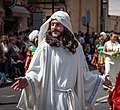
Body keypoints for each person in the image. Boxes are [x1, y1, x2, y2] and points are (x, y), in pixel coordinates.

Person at [11, 11, 111, 110]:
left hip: (70, 101)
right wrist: (28, 79)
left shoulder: (76, 48)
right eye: (52, 24)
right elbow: (37, 71)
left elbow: (84, 75)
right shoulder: (45, 47)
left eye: (58, 24)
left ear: (66, 26)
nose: (54, 27)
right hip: (50, 99)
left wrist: (101, 79)